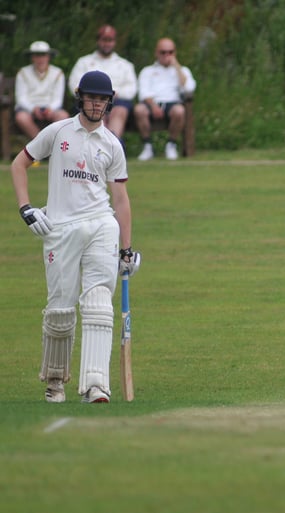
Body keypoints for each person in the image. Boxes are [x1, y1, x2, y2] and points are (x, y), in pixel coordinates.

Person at [10, 70, 141, 404]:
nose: (96, 104)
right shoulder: (58, 132)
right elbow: (18, 164)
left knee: (98, 304)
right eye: (91, 98)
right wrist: (27, 208)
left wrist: (126, 250)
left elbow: (121, 199)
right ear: (80, 97)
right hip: (60, 229)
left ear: (109, 102)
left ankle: (96, 385)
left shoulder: (112, 144)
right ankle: (55, 382)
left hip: (101, 225)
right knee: (60, 311)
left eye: (102, 99)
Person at [68, 25, 138, 144]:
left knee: (119, 109)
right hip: (90, 101)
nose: (107, 44)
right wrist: (94, 96)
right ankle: (98, 142)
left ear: (114, 42)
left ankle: (112, 142)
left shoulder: (125, 65)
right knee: (97, 106)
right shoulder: (84, 62)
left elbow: (132, 89)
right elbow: (74, 86)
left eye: (110, 40)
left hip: (117, 102)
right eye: (104, 40)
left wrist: (112, 94)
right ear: (98, 41)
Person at [134, 38, 197, 161]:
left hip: (172, 103)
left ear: (175, 53)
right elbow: (143, 93)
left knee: (180, 111)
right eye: (163, 52)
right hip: (151, 103)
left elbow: (189, 88)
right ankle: (147, 146)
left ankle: (171, 144)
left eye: (170, 52)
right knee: (139, 110)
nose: (166, 55)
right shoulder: (148, 71)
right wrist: (153, 106)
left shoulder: (182, 70)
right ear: (156, 53)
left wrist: (176, 66)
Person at [14, 41, 69, 139]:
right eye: (37, 55)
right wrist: (33, 109)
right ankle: (40, 144)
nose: (40, 59)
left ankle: (51, 144)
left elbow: (58, 99)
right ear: (32, 57)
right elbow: (21, 98)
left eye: (43, 55)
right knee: (21, 117)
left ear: (48, 56)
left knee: (63, 116)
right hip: (28, 109)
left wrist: (50, 109)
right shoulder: (22, 72)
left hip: (51, 109)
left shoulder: (57, 73)